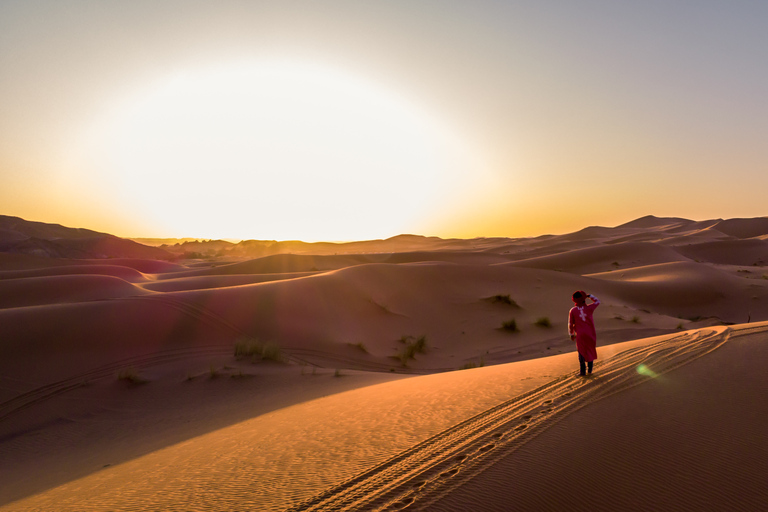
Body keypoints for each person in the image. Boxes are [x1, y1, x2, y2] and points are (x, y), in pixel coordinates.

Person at [568, 291, 600, 376]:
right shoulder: (589, 308)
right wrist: (589, 296)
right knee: (589, 350)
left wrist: (571, 334)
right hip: (590, 333)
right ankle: (590, 371)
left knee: (581, 351)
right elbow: (597, 302)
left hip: (580, 335)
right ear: (584, 298)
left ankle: (582, 372)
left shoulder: (573, 310)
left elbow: (570, 323)